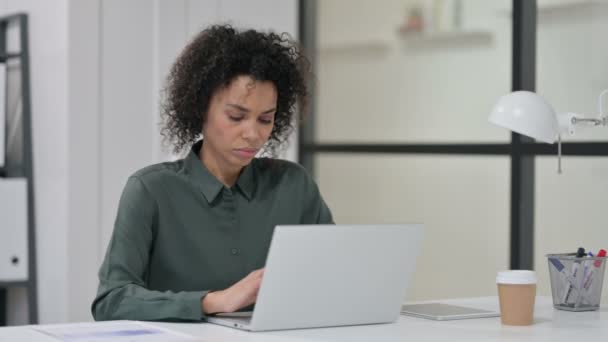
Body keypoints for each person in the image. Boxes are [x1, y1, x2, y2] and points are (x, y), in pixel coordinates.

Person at [91, 25, 333, 322]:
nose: (253, 134)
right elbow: (111, 301)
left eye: (265, 119)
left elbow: (333, 277)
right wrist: (214, 301)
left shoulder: (294, 185)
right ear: (199, 108)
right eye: (236, 116)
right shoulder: (150, 190)